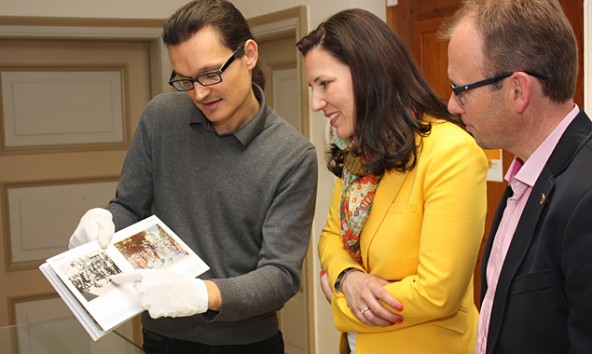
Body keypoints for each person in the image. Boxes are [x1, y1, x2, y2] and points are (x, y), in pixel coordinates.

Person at [68, 0, 318, 353]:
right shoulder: (160, 118)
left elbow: (280, 277)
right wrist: (105, 220)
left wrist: (204, 294)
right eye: (185, 80)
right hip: (159, 339)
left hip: (245, 345)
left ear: (248, 55)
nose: (199, 93)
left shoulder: (293, 156)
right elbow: (129, 207)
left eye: (210, 74)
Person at [297, 8, 488, 354]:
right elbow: (330, 237)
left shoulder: (451, 152)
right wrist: (347, 278)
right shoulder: (359, 152)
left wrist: (340, 301)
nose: (316, 103)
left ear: (368, 72)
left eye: (324, 84)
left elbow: (437, 294)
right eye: (312, 87)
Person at [441, 0, 592, 353]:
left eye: (460, 89)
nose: (451, 105)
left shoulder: (586, 196)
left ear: (518, 91)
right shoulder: (527, 176)